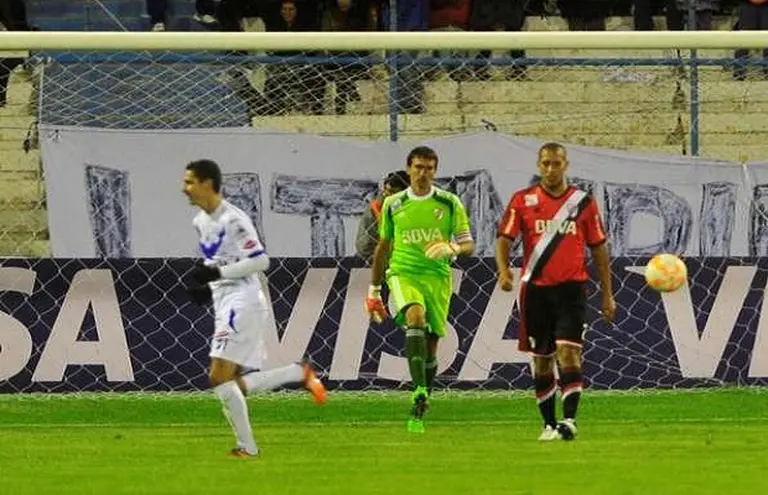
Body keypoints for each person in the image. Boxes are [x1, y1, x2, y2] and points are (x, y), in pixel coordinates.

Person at [182, 159, 326, 458]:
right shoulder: (200, 221)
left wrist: (217, 274)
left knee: (218, 377)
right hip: (226, 301)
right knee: (228, 383)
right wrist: (208, 285)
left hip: (243, 302)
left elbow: (261, 261)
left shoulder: (233, 220)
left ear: (207, 184)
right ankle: (296, 372)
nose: (185, 189)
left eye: (190, 182)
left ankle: (248, 448)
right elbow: (219, 260)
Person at [494, 142, 615, 442]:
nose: (550, 169)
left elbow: (599, 249)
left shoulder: (583, 203)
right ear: (539, 165)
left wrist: (607, 293)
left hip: (571, 290)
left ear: (565, 165)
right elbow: (504, 239)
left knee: (569, 351)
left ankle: (569, 420)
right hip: (535, 291)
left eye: (556, 163)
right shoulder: (522, 200)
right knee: (542, 359)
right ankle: (549, 424)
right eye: (546, 163)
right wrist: (503, 270)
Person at [365, 146, 474, 433]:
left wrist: (451, 247)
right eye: (418, 167)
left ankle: (422, 398)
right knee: (415, 317)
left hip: (437, 277)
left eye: (428, 168)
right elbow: (383, 246)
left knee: (431, 345)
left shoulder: (449, 203)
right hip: (404, 273)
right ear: (409, 168)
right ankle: (419, 390)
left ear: (435, 171)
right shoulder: (394, 204)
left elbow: (468, 244)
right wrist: (374, 290)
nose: (423, 173)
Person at [355, 170, 410, 260]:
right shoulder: (376, 208)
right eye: (385, 190)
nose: (386, 194)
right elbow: (364, 247)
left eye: (392, 192)